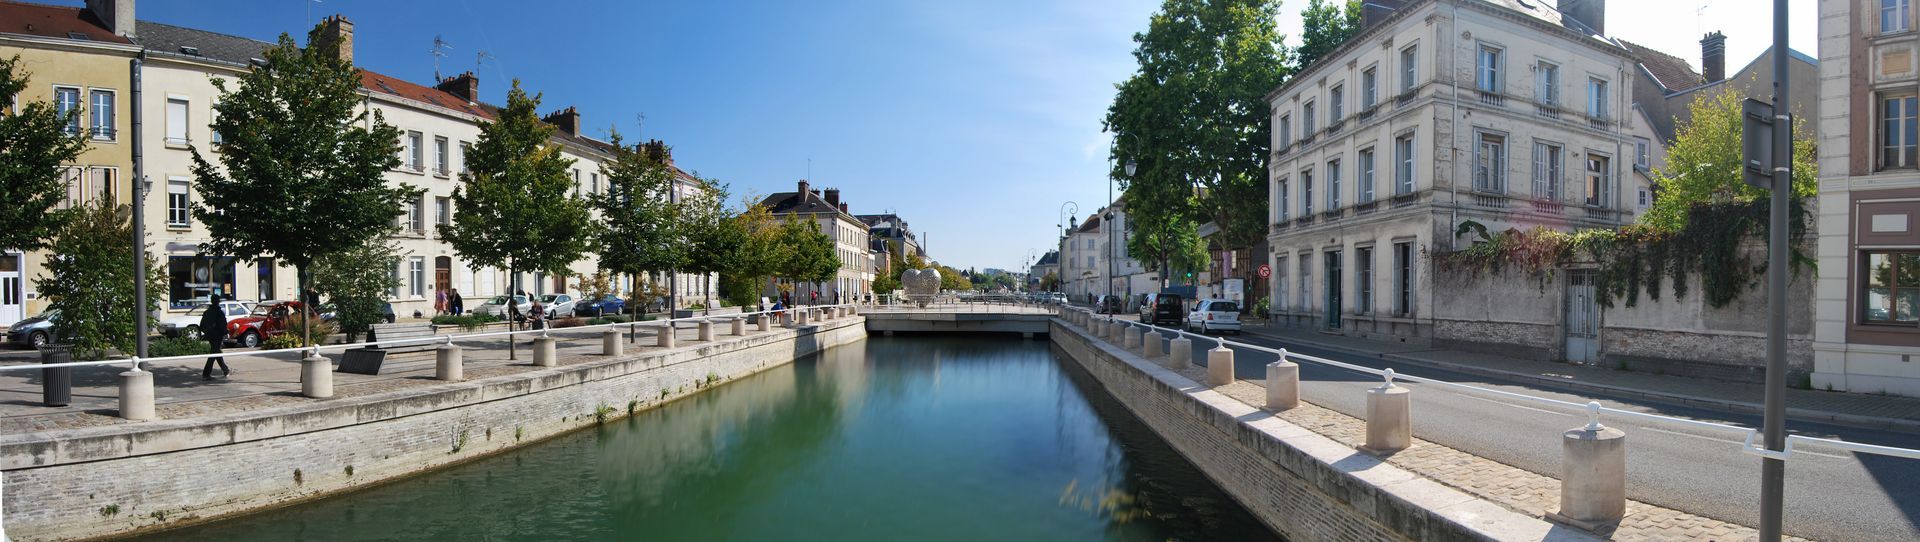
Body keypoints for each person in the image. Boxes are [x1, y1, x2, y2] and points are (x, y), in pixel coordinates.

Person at [200, 294, 231, 380]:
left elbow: (201, 325)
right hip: (217, 336)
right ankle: (206, 374)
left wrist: (207, 332)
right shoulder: (219, 312)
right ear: (218, 301)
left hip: (210, 335)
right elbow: (222, 325)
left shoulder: (207, 312)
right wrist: (226, 332)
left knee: (217, 351)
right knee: (213, 353)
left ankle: (225, 370)